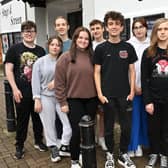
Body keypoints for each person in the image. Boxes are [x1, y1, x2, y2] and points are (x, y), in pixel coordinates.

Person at [94, 11, 137, 168]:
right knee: (109, 128)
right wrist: (99, 93)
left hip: (125, 95)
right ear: (106, 27)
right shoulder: (100, 48)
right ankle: (110, 154)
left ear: (121, 27)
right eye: (110, 24)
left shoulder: (128, 47)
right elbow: (96, 72)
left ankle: (123, 154)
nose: (113, 27)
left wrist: (132, 91)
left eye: (117, 24)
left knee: (126, 127)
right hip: (107, 96)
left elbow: (132, 71)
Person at [54, 27, 98, 168]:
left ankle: (85, 155)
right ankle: (74, 159)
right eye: (80, 38)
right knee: (77, 130)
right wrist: (62, 102)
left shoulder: (93, 56)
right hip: (74, 100)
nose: (83, 41)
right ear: (75, 39)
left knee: (89, 130)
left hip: (92, 99)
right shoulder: (65, 57)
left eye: (86, 38)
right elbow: (59, 82)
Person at [4, 20, 48, 160]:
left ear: (35, 33)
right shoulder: (14, 49)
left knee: (38, 119)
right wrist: (15, 89)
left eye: (31, 31)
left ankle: (38, 141)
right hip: (21, 92)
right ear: (22, 33)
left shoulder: (41, 51)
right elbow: (9, 70)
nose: (29, 33)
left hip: (38, 94)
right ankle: (19, 145)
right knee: (22, 120)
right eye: (26, 31)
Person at [32, 36, 72, 162]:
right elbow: (35, 81)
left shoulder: (64, 61)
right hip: (45, 97)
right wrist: (37, 99)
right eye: (52, 44)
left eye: (58, 45)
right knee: (49, 124)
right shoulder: (40, 62)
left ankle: (64, 145)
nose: (55, 47)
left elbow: (69, 77)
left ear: (61, 48)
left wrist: (56, 81)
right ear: (48, 46)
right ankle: (53, 148)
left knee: (68, 125)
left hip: (61, 97)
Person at [141, 18, 168, 168]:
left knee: (166, 130)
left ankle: (164, 155)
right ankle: (153, 153)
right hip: (153, 99)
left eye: (166, 29)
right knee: (153, 129)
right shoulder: (149, 52)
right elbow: (144, 79)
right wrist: (148, 101)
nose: (163, 32)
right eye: (160, 29)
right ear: (155, 32)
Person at [127, 18, 150, 157]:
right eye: (135, 27)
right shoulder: (129, 45)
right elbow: (126, 69)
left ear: (146, 28)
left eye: (141, 27)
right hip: (133, 87)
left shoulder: (152, 44)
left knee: (145, 118)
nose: (138, 30)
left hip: (148, 88)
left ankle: (142, 144)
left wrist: (145, 87)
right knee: (133, 118)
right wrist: (133, 85)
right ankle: (132, 146)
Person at [54, 16, 72, 153]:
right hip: (57, 86)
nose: (61, 27)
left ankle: (69, 141)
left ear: (68, 27)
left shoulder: (73, 44)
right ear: (55, 27)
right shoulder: (53, 44)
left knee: (69, 115)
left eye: (63, 24)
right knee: (58, 116)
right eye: (58, 25)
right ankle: (60, 142)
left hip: (71, 86)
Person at [89, 19, 107, 151]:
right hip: (89, 84)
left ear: (103, 29)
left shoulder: (107, 45)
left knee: (103, 113)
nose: (95, 31)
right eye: (93, 29)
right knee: (91, 112)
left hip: (104, 84)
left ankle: (101, 137)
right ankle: (92, 136)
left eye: (97, 28)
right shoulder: (88, 46)